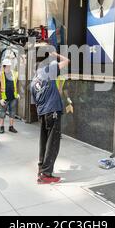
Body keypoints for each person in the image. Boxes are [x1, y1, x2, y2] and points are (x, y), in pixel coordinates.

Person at [31, 52, 70, 184]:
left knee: (44, 142)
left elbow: (35, 101)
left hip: (42, 113)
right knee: (53, 143)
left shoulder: (34, 81)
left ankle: (41, 168)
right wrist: (56, 54)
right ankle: (46, 174)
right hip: (53, 111)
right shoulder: (49, 69)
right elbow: (67, 61)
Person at [0, 59, 19, 134]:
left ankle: (11, 127)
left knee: (12, 112)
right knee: (2, 112)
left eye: (9, 66)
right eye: (7, 67)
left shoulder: (14, 74)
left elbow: (17, 84)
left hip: (13, 97)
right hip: (4, 98)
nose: (9, 68)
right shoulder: (0, 76)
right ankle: (1, 127)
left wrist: (17, 93)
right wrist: (0, 99)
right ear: (4, 67)